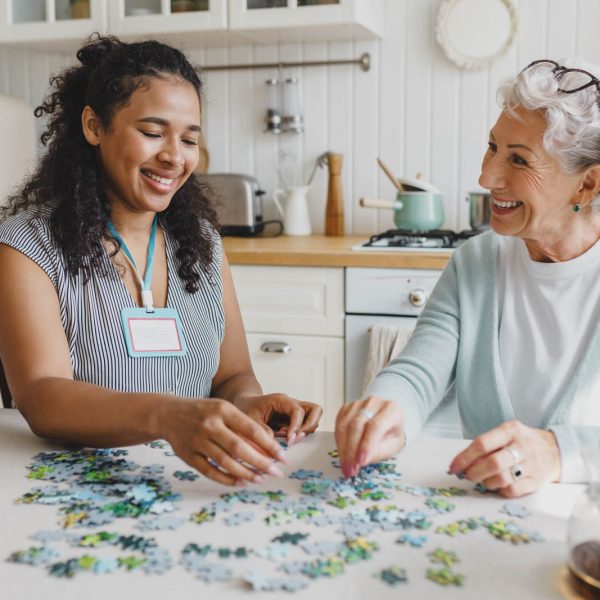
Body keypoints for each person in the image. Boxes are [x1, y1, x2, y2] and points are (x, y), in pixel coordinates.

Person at [0, 34, 322, 487]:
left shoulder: (202, 243)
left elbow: (232, 376)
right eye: (152, 133)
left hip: (189, 485)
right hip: (72, 493)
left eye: (189, 139)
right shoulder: (25, 246)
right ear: (94, 127)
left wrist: (251, 405)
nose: (174, 156)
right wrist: (169, 416)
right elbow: (42, 397)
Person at [336, 58, 600, 497]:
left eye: (518, 159)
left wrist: (557, 453)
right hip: (486, 519)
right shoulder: (476, 261)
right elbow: (419, 372)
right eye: (492, 147)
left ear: (587, 185)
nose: (486, 176)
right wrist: (383, 410)